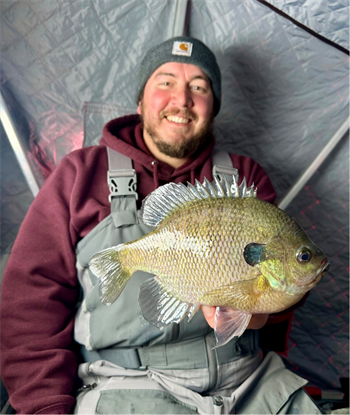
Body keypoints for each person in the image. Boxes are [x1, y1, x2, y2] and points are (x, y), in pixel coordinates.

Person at [0, 36, 322, 414]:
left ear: (213, 106)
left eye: (199, 87)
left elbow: (284, 294)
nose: (182, 99)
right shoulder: (79, 175)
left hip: (248, 382)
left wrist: (260, 315)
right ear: (140, 100)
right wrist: (45, 407)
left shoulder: (245, 176)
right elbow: (30, 307)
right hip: (125, 386)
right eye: (165, 81)